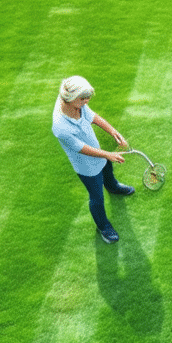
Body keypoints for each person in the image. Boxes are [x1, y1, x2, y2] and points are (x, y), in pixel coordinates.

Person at [51, 75, 135, 244]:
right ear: (71, 98)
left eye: (88, 97)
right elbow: (81, 149)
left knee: (108, 171)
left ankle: (113, 187)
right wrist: (107, 154)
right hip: (86, 167)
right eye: (84, 98)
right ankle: (103, 226)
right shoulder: (60, 127)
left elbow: (93, 117)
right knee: (96, 197)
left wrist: (113, 131)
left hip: (99, 153)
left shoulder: (78, 105)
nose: (87, 101)